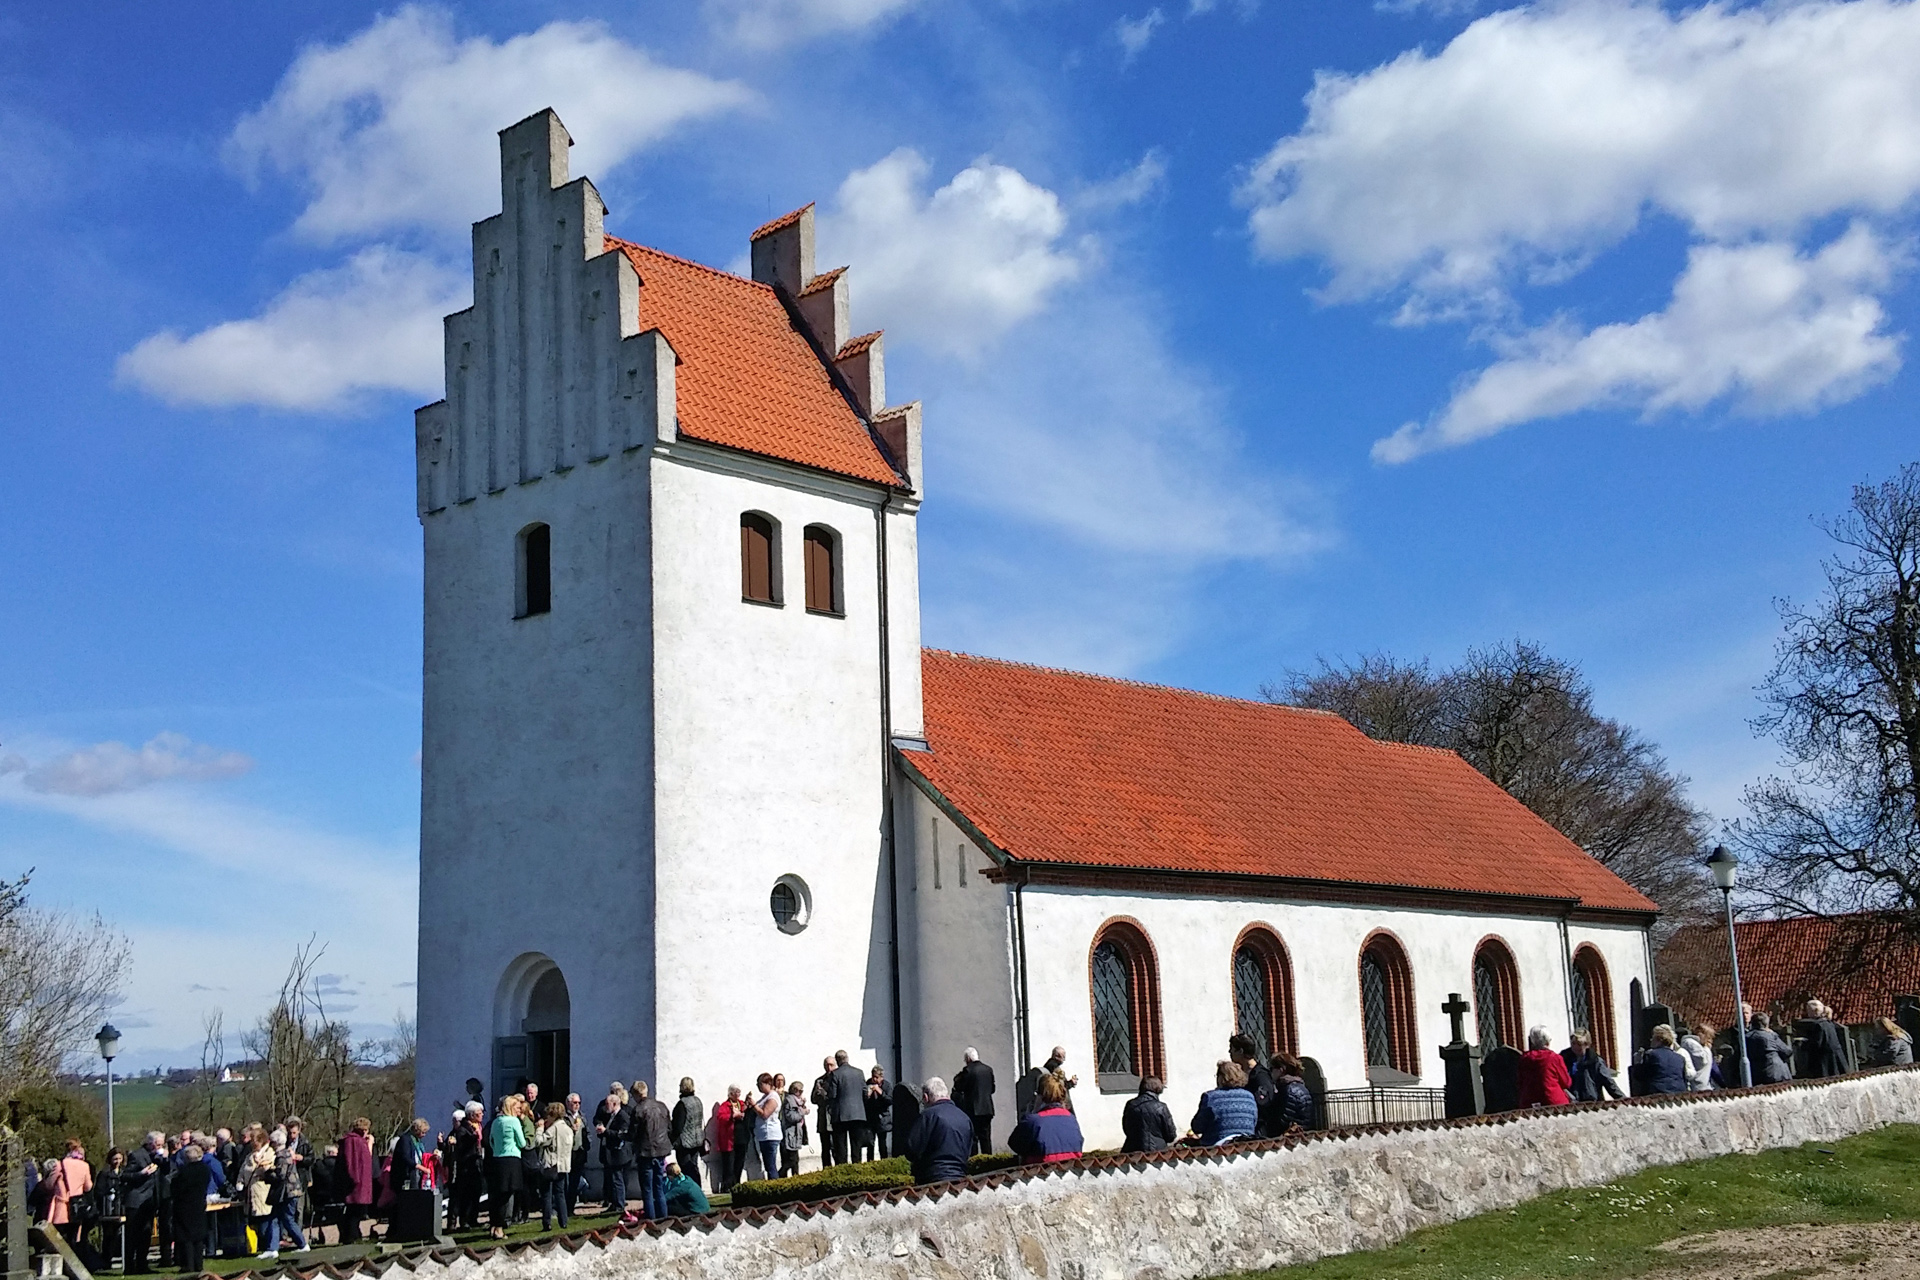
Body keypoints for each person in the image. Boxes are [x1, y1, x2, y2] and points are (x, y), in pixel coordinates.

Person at [902, 1077, 974, 1184]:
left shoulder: (928, 1116)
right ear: (947, 1095)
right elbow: (969, 1149)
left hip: (933, 1177)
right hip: (960, 1178)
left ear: (926, 1097)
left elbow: (912, 1149)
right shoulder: (964, 1118)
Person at [1010, 1074, 1085, 1163]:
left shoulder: (1033, 1121)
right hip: (1071, 1170)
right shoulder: (1071, 1119)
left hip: (1039, 1172)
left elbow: (1014, 1144)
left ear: (1039, 1096)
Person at [487, 1095, 531, 1239]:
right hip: (511, 1159)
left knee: (497, 1195)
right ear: (511, 1107)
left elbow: (491, 1141)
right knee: (506, 1195)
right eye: (517, 1107)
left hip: (497, 1159)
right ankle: (499, 1227)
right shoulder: (513, 1121)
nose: (519, 1110)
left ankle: (493, 1225)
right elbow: (522, 1142)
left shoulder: (495, 1122)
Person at [123, 1132, 167, 1273]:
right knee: (133, 1234)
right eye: (157, 1144)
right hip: (137, 1200)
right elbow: (125, 1175)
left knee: (146, 1233)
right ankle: (130, 1266)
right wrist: (142, 1174)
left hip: (151, 1200)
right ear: (150, 1143)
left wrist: (165, 1159)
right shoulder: (137, 1155)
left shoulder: (158, 1157)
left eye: (162, 1144)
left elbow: (166, 1172)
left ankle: (142, 1264)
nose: (159, 1147)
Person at [1188, 1062, 1259, 1145]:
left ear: (1221, 1077)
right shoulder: (1249, 1096)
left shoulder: (1211, 1097)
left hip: (1218, 1146)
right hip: (1247, 1144)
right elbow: (1254, 1121)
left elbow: (1197, 1127)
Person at [632, 1081, 673, 1223]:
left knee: (647, 1189)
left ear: (637, 1094)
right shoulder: (661, 1106)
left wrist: (621, 1135)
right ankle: (663, 1217)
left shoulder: (639, 1109)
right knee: (659, 1186)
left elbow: (633, 1133)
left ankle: (651, 1219)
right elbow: (669, 1128)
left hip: (645, 1152)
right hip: (661, 1150)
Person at [171, 1144, 214, 1274]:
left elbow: (176, 1188)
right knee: (198, 1236)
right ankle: (198, 1264)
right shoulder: (205, 1169)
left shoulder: (185, 1172)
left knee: (186, 1237)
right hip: (199, 1204)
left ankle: (188, 1265)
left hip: (184, 1205)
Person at [267, 1128, 309, 1255]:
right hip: (291, 1191)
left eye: (272, 1142)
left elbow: (281, 1176)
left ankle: (302, 1244)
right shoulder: (287, 1154)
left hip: (288, 1192)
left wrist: (267, 1174)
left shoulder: (282, 1156)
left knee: (287, 1219)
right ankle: (272, 1249)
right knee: (275, 1218)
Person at [532, 1102, 573, 1231]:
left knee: (546, 1194)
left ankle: (547, 1222)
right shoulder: (568, 1129)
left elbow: (539, 1141)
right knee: (560, 1193)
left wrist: (539, 1129)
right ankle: (564, 1221)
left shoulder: (554, 1128)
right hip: (563, 1165)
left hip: (551, 1164)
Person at [45, 1139, 94, 1246]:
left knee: (59, 1241)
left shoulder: (60, 1164)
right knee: (73, 1240)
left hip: (61, 1208)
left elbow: (49, 1185)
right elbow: (88, 1187)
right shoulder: (84, 1166)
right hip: (76, 1208)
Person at [1228, 1034, 1279, 1136]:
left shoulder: (1260, 1076)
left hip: (1260, 1131)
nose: (1229, 1052)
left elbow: (1263, 1104)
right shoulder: (1242, 1073)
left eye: (1232, 1049)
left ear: (1241, 1051)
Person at [1515, 1025, 1574, 1106]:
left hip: (1529, 1102)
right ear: (1547, 1041)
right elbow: (1566, 1082)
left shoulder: (1524, 1059)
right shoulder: (1554, 1058)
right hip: (1553, 1101)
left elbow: (1520, 1081)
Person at [595, 1083, 631, 1212]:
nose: (605, 1107)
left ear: (615, 1104)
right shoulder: (612, 1115)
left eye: (607, 1104)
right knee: (613, 1179)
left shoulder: (623, 1116)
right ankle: (614, 1203)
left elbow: (621, 1134)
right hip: (611, 1151)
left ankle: (620, 1204)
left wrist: (605, 1131)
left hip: (619, 1152)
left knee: (618, 1179)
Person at [953, 1049, 996, 1155]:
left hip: (973, 1110)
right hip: (987, 1109)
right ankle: (988, 1162)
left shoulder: (968, 1070)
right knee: (986, 1138)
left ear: (968, 1059)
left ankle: (975, 1163)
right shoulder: (988, 1069)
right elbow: (992, 1089)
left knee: (973, 1139)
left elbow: (958, 1086)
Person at [829, 1050, 869, 1165]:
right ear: (847, 1058)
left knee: (841, 1147)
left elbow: (833, 1095)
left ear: (837, 1060)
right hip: (858, 1113)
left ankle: (843, 1171)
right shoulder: (859, 1073)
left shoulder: (835, 1074)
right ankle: (857, 1168)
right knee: (856, 1145)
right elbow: (865, 1093)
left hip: (841, 1114)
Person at [339, 1118, 375, 1243]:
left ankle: (354, 1236)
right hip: (357, 1183)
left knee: (358, 1212)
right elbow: (351, 1162)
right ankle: (351, 1237)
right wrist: (355, 1179)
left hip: (361, 1183)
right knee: (354, 1212)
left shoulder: (359, 1141)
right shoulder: (352, 1141)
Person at [450, 1102, 485, 1230]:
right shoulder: (463, 1129)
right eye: (478, 1113)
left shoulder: (479, 1127)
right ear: (471, 1115)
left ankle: (473, 1219)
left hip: (477, 1164)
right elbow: (462, 1146)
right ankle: (464, 1221)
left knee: (476, 1192)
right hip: (466, 1166)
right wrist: (474, 1138)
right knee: (466, 1195)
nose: (481, 1115)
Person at [1799, 1000, 1856, 1078]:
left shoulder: (1817, 1025)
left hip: (1826, 1063)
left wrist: (1803, 1045)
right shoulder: (1829, 1023)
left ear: (1814, 1012)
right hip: (1837, 1060)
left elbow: (1816, 1044)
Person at [1121, 1077, 1177, 1153]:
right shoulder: (1160, 1107)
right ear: (1158, 1088)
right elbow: (1171, 1134)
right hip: (1157, 1151)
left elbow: (1126, 1128)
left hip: (1133, 1149)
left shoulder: (1131, 1105)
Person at [1017, 1047, 1077, 1117]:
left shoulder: (1052, 1066)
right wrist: (1070, 1083)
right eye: (1063, 1056)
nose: (1064, 1059)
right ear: (1058, 1056)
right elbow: (1058, 1086)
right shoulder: (1053, 1067)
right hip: (1055, 1106)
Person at [670, 1080, 706, 1192]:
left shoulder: (682, 1104)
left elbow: (678, 1125)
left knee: (686, 1168)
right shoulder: (698, 1101)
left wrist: (672, 1139)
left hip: (685, 1142)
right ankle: (697, 1190)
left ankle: (690, 1192)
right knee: (694, 1167)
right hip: (697, 1140)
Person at [1270, 1053, 1316, 1132]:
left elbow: (1284, 1120)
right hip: (1303, 1132)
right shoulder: (1302, 1086)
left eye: (1272, 1069)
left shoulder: (1287, 1089)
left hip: (1290, 1134)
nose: (1271, 1072)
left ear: (1281, 1070)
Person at [1639, 1025, 1690, 1095]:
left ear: (1659, 1040)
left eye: (1653, 1038)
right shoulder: (1680, 1058)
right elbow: (1684, 1078)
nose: (1651, 1040)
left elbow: (1641, 1076)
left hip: (1658, 1093)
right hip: (1678, 1094)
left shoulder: (1651, 1054)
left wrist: (1637, 1063)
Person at [1747, 1012, 1795, 1084]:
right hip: (1777, 1074)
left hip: (1756, 1075)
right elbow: (1787, 1051)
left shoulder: (1746, 1037)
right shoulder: (1770, 1035)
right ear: (1766, 1024)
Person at [751, 1074, 783, 1181]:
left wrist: (754, 1105)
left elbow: (765, 1114)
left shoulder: (773, 1097)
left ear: (768, 1084)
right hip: (763, 1134)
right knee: (768, 1164)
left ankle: (775, 1187)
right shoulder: (765, 1096)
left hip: (770, 1134)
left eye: (760, 1084)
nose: (758, 1087)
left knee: (770, 1165)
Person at [708, 1088, 741, 1193]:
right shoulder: (725, 1105)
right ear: (730, 1094)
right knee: (728, 1166)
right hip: (728, 1140)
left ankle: (736, 1185)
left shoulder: (742, 1104)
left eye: (738, 1092)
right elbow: (721, 1118)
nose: (737, 1095)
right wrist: (732, 1116)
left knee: (738, 1164)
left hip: (739, 1139)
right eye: (735, 1093)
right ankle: (726, 1187)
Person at [562, 1094, 590, 1214]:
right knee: (566, 1182)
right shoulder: (564, 1118)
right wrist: (571, 1130)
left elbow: (587, 1132)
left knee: (576, 1181)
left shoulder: (582, 1117)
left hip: (579, 1153)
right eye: (574, 1103)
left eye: (578, 1102)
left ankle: (571, 1207)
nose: (577, 1105)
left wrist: (587, 1144)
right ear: (568, 1104)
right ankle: (565, 1208)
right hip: (568, 1153)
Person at [811, 1058, 839, 1169]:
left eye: (831, 1065)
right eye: (826, 1065)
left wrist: (824, 1094)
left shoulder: (837, 1079)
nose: (829, 1068)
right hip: (823, 1119)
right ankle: (826, 1170)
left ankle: (839, 1170)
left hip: (835, 1119)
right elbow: (813, 1100)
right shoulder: (819, 1080)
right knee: (825, 1148)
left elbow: (836, 1097)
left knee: (836, 1148)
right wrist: (818, 1093)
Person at [864, 1066, 896, 1160]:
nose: (874, 1079)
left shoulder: (887, 1085)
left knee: (882, 1143)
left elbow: (890, 1100)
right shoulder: (868, 1083)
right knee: (870, 1143)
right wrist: (867, 1095)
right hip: (871, 1117)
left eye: (877, 1077)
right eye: (873, 1076)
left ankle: (884, 1161)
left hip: (882, 1118)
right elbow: (863, 1099)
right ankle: (870, 1162)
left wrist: (880, 1092)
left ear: (881, 1077)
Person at [780, 1081, 810, 1177]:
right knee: (791, 1160)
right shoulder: (789, 1100)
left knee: (795, 1160)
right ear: (794, 1090)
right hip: (791, 1133)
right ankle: (779, 1175)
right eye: (800, 1091)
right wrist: (803, 1112)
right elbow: (791, 1117)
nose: (801, 1093)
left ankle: (795, 1177)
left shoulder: (797, 1100)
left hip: (796, 1133)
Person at [1678, 1023, 1716, 1091]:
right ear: (1700, 1033)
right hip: (1695, 1086)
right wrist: (1707, 1048)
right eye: (1708, 1037)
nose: (1709, 1040)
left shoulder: (1700, 1045)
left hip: (1704, 1085)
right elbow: (1702, 1060)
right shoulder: (1690, 1042)